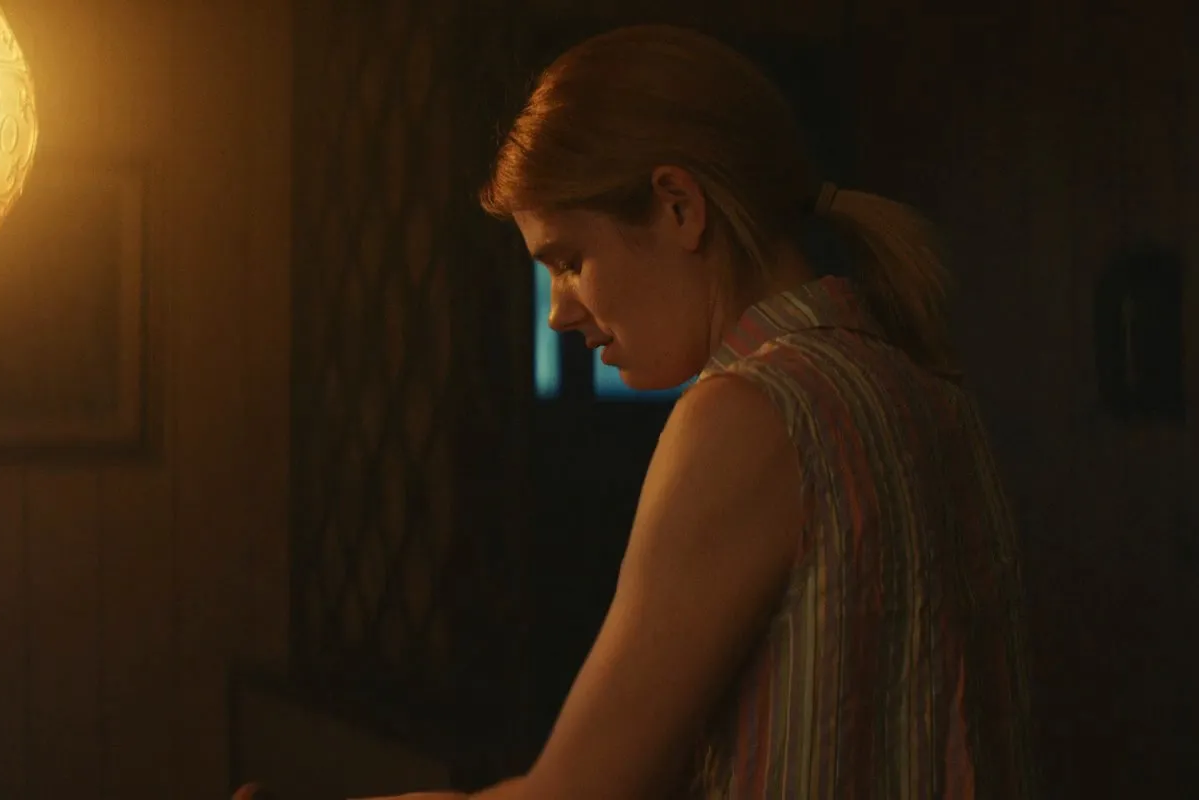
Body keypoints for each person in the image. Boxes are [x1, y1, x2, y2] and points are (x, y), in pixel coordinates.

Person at [339, 23, 1036, 800]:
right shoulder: (927, 390)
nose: (558, 313)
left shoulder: (750, 416)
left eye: (570, 260)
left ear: (678, 206)